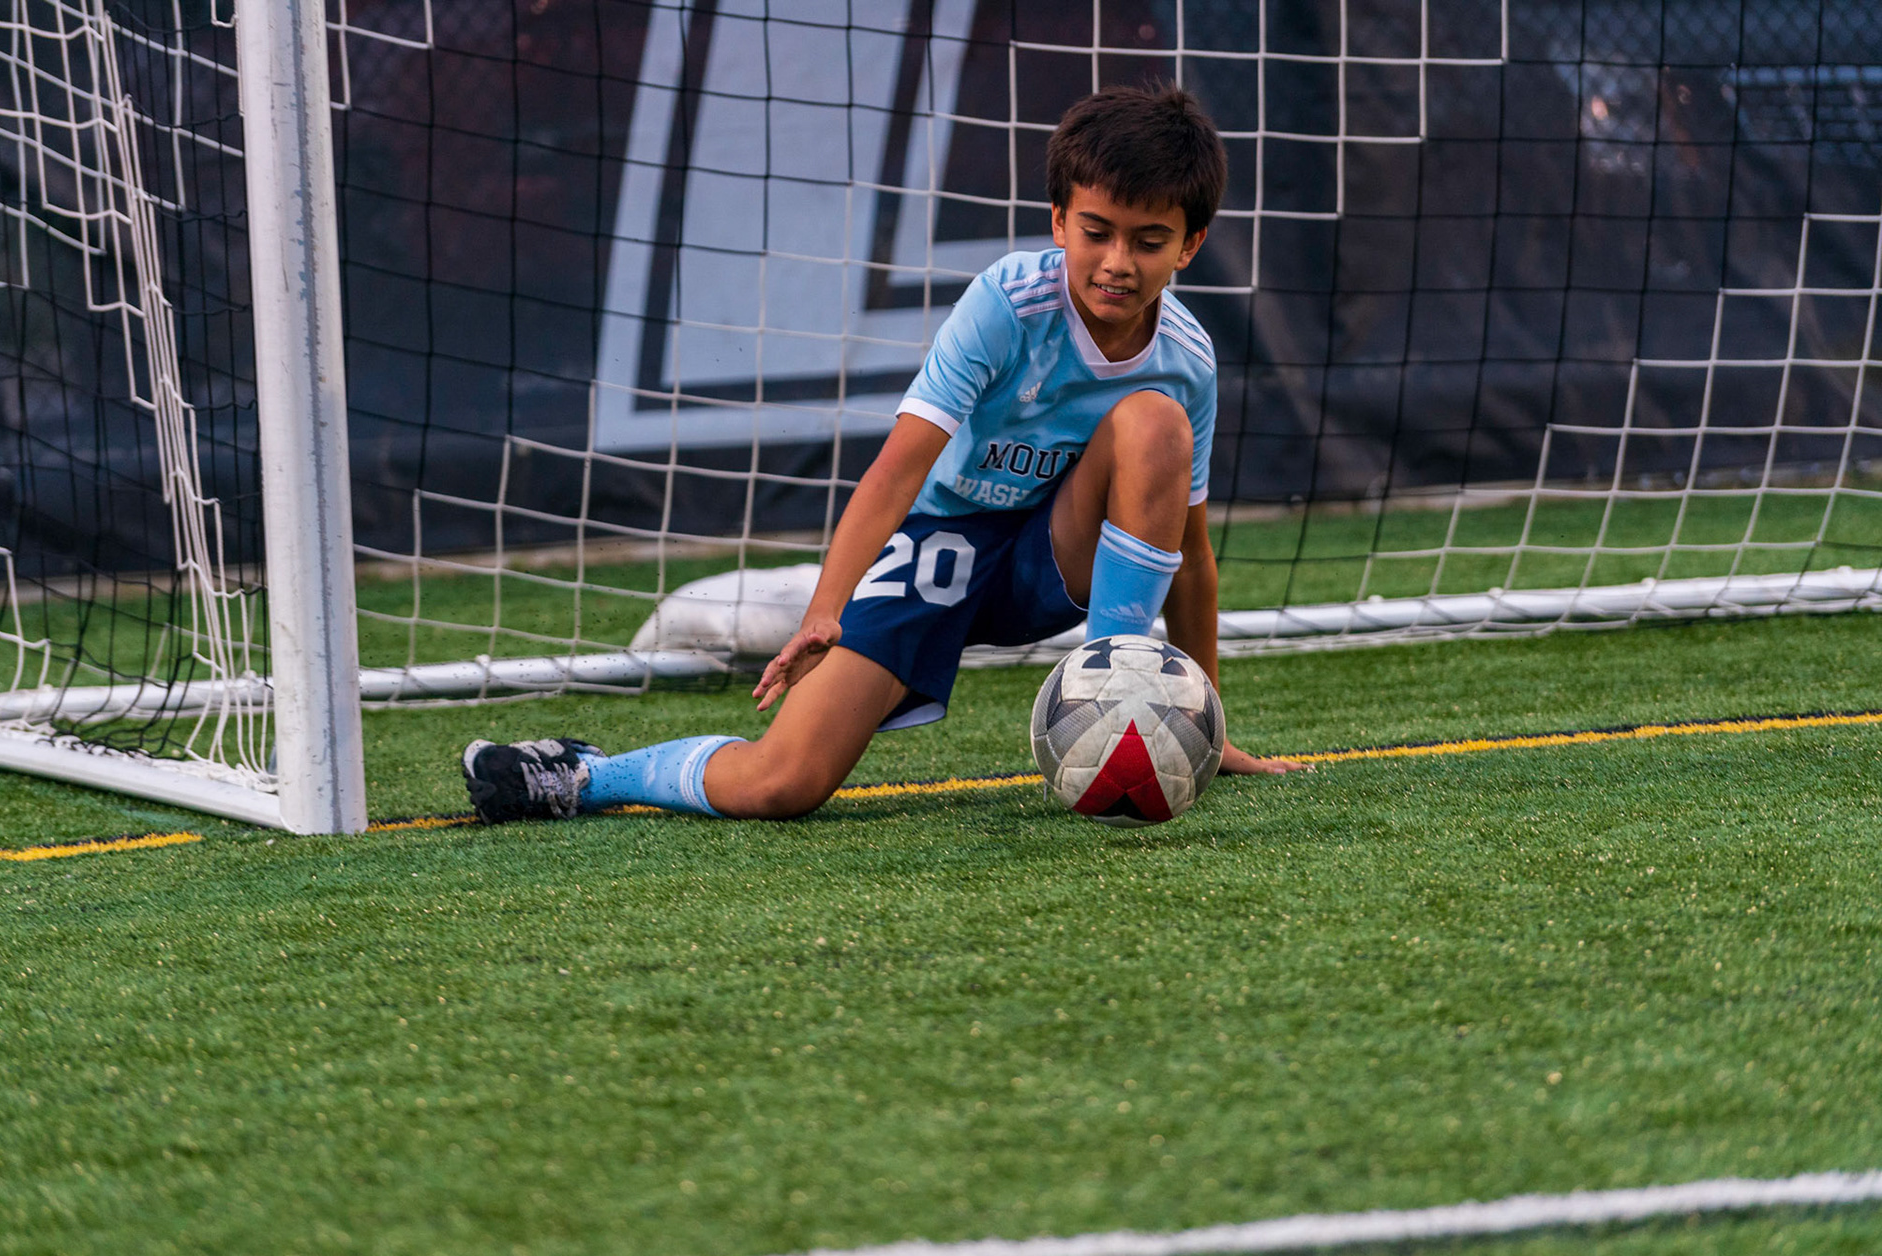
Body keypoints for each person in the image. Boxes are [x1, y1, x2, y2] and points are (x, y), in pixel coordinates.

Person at [462, 83, 1307, 825]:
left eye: (1149, 240)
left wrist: (1204, 720)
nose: (1118, 262)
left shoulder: (1187, 359)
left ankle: (1125, 698)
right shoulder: (1006, 305)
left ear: (1190, 245)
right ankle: (584, 774)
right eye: (1097, 231)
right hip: (943, 542)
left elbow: (1190, 554)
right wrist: (827, 609)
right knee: (782, 784)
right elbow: (898, 469)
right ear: (1059, 220)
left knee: (1152, 422)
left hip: (1057, 556)